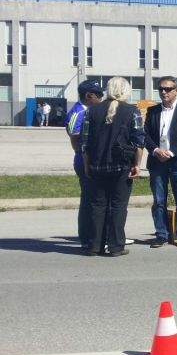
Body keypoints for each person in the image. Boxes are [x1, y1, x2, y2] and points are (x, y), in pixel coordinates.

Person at [80, 77, 144, 257]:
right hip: (122, 166)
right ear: (126, 92)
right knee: (118, 206)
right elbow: (139, 142)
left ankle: (95, 246)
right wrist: (137, 164)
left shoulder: (92, 110)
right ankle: (116, 246)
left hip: (98, 165)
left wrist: (87, 165)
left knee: (97, 205)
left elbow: (84, 143)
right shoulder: (132, 111)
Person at [144, 76, 177, 248]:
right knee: (159, 201)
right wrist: (156, 151)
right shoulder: (152, 111)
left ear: (176, 90)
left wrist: (171, 153)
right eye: (161, 89)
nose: (164, 92)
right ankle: (161, 234)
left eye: (167, 89)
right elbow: (145, 135)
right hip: (157, 161)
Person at [67, 80, 105, 249]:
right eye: (99, 94)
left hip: (92, 161)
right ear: (88, 95)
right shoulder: (78, 112)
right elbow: (75, 138)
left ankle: (95, 235)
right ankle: (86, 237)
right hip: (83, 162)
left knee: (94, 198)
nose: (101, 97)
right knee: (89, 200)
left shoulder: (89, 110)